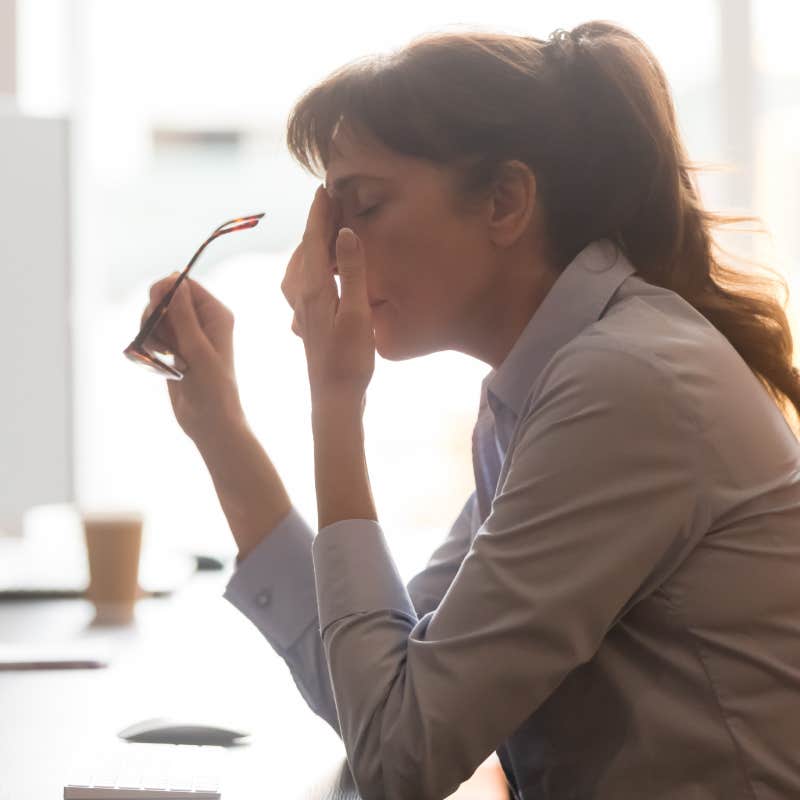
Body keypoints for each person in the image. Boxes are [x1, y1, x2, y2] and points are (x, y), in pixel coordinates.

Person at [139, 21, 800, 800]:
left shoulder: (624, 383)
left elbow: (399, 757)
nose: (325, 251)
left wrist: (336, 401)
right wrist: (222, 430)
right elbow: (373, 686)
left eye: (365, 206)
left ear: (506, 202)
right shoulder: (552, 379)